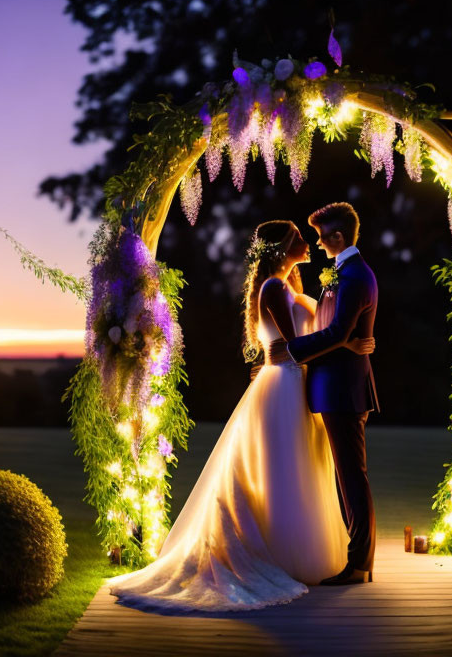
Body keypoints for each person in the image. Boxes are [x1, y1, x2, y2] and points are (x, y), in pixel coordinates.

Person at [108, 219, 374, 613]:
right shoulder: (273, 287)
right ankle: (280, 554)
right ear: (281, 249)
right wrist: (348, 342)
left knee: (302, 468)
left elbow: (310, 337)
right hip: (284, 384)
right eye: (300, 239)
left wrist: (343, 336)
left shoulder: (291, 287)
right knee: (285, 469)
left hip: (298, 384)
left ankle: (304, 551)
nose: (308, 243)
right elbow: (290, 347)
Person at [268, 202, 379, 585]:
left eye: (320, 236)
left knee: (352, 477)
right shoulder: (343, 273)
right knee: (346, 477)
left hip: (343, 389)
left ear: (337, 237)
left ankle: (360, 564)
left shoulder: (354, 277)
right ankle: (358, 560)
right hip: (332, 385)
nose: (316, 242)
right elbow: (340, 332)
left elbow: (338, 332)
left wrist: (293, 350)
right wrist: (349, 342)